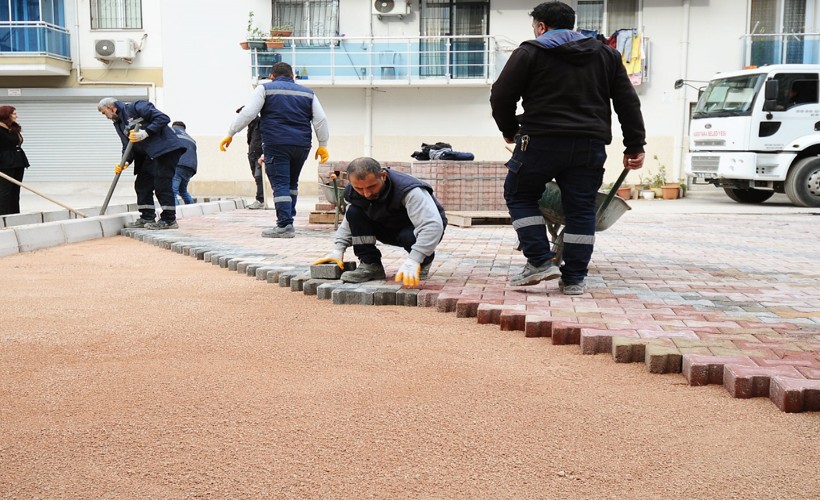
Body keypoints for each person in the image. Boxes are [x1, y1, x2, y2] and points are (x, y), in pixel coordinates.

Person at [490, 1, 646, 295]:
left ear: (541, 26)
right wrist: (634, 144)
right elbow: (627, 102)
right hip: (589, 145)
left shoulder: (530, 52)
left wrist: (510, 130)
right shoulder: (606, 55)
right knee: (581, 209)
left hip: (540, 142)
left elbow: (501, 95)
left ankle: (539, 261)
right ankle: (574, 278)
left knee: (519, 193)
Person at [220, 62, 330, 238]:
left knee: (280, 184)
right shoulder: (308, 93)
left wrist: (231, 133)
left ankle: (284, 225)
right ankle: (289, 220)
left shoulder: (265, 89)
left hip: (276, 143)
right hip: (302, 145)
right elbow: (321, 119)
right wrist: (323, 145)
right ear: (292, 76)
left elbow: (248, 113)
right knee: (291, 184)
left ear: (271, 76)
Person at [312, 157, 447, 288]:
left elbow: (432, 226)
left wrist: (414, 260)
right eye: (359, 188)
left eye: (372, 186)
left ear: (383, 176)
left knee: (409, 236)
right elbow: (349, 221)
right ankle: (371, 265)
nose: (366, 193)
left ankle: (424, 261)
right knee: (354, 211)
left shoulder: (408, 190)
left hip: (414, 229)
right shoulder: (353, 192)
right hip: (386, 225)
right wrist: (338, 250)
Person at [98, 97, 186, 230]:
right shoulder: (118, 123)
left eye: (104, 113)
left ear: (111, 107)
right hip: (147, 156)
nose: (106, 117)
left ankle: (169, 220)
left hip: (165, 150)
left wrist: (146, 133)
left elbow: (163, 118)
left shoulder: (137, 107)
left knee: (162, 184)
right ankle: (147, 217)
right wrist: (125, 161)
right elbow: (127, 145)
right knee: (142, 185)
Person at [0, 105, 30, 216]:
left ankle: (15, 215)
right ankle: (2, 216)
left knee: (15, 191)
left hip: (18, 161)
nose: (16, 116)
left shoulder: (14, 128)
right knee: (5, 191)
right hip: (5, 163)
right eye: (14, 113)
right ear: (6, 115)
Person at [235, 106, 265, 209]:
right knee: (257, 177)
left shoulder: (260, 122)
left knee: (259, 177)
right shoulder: (251, 125)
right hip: (252, 155)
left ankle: (260, 200)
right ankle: (261, 199)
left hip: (260, 155)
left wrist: (263, 154)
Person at [170, 121, 197, 205]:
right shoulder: (191, 139)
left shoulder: (172, 132)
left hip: (179, 164)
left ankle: (175, 213)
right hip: (190, 168)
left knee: (172, 192)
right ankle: (192, 209)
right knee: (183, 191)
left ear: (174, 126)